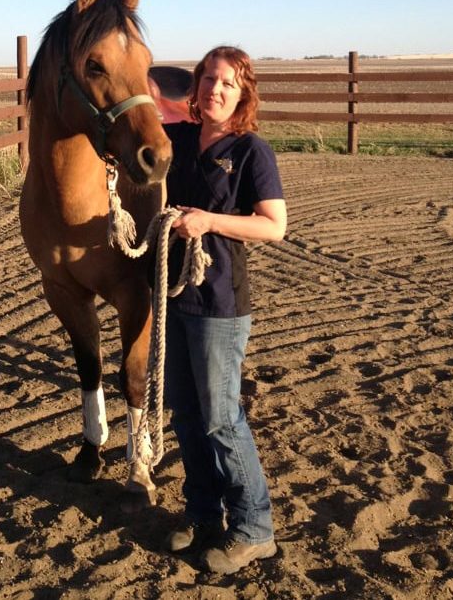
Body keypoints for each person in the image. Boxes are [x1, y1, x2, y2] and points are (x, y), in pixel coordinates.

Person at [161, 45, 287, 574]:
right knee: (187, 415)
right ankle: (203, 512)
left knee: (220, 419)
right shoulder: (180, 138)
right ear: (195, 85)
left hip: (219, 303)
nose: (215, 89)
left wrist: (209, 221)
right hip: (175, 297)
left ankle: (254, 527)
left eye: (227, 84)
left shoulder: (251, 150)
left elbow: (273, 225)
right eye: (209, 78)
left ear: (242, 95)